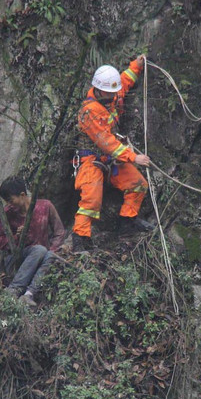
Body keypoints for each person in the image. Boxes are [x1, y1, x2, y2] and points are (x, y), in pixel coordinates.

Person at [72, 54, 155, 253]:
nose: (113, 97)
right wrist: (133, 157)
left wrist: (137, 65)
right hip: (91, 160)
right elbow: (106, 142)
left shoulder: (112, 96)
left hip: (112, 160)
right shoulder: (89, 112)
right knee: (91, 201)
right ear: (99, 90)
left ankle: (127, 222)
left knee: (138, 185)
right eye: (109, 93)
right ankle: (80, 239)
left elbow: (124, 81)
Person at [0, 176, 65, 307]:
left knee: (50, 254)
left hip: (41, 256)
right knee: (40, 250)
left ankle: (29, 294)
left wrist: (53, 250)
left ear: (22, 195)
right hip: (16, 259)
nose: (9, 204)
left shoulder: (45, 206)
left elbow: (59, 232)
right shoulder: (7, 213)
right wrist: (16, 237)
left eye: (10, 200)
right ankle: (14, 290)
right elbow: (0, 242)